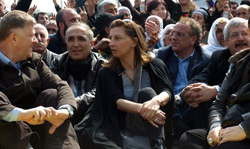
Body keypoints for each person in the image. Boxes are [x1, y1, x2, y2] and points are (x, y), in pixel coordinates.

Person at [75, 20, 174, 149]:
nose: (111, 43)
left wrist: (155, 102)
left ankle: (158, 144)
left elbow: (167, 90)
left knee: (148, 93)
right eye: (111, 38)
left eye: (118, 38)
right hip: (125, 125)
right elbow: (117, 101)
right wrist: (144, 109)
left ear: (134, 41)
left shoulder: (155, 65)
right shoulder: (107, 72)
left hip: (157, 123)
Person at [0, 10, 79, 149]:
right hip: (9, 136)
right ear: (14, 38)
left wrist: (64, 111)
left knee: (52, 95)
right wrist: (22, 115)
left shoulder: (35, 61)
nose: (36, 41)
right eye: (32, 35)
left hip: (40, 130)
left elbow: (61, 85)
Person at [178, 18, 250, 148]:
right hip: (228, 122)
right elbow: (218, 103)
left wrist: (244, 128)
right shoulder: (234, 61)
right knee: (190, 138)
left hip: (244, 125)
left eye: (244, 34)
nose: (241, 38)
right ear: (226, 42)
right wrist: (215, 127)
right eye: (235, 35)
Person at [156, 17, 210, 139]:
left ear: (193, 39)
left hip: (192, 103)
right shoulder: (162, 56)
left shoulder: (205, 59)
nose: (173, 38)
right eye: (172, 33)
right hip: (169, 103)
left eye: (179, 34)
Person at [52, 23, 104, 124]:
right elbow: (53, 88)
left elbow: (97, 92)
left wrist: (70, 105)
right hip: (62, 115)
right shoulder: (57, 62)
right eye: (71, 39)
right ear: (66, 42)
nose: (75, 44)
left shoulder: (102, 64)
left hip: (92, 117)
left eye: (81, 39)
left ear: (92, 44)